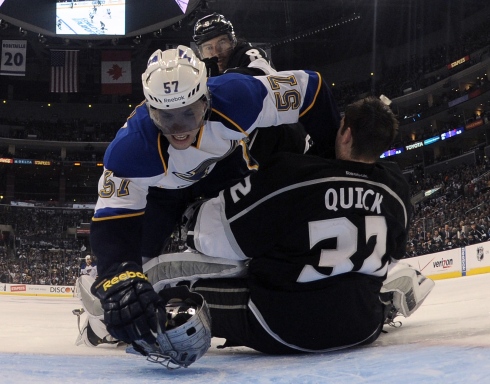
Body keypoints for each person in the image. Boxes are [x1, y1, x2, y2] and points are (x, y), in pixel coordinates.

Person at [92, 96, 434, 358]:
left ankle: (112, 318)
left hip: (282, 329)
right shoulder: (397, 189)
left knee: (169, 277)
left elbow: (215, 241)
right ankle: (391, 297)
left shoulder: (294, 174)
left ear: (344, 131)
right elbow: (391, 253)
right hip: (363, 327)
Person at [87, 45, 340, 352]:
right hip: (160, 193)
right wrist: (117, 280)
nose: (180, 130)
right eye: (167, 118)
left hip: (223, 169)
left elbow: (312, 88)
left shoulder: (239, 95)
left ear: (206, 100)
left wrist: (329, 158)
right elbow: (112, 225)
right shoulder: (130, 149)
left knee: (249, 241)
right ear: (150, 110)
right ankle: (96, 322)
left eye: (188, 113)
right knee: (130, 273)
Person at [141, 13, 313, 259]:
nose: (216, 51)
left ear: (233, 41)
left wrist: (216, 81)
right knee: (171, 186)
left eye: (221, 43)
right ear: (199, 50)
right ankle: (146, 258)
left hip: (280, 146)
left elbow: (259, 79)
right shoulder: (200, 73)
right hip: (246, 154)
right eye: (208, 47)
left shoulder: (249, 55)